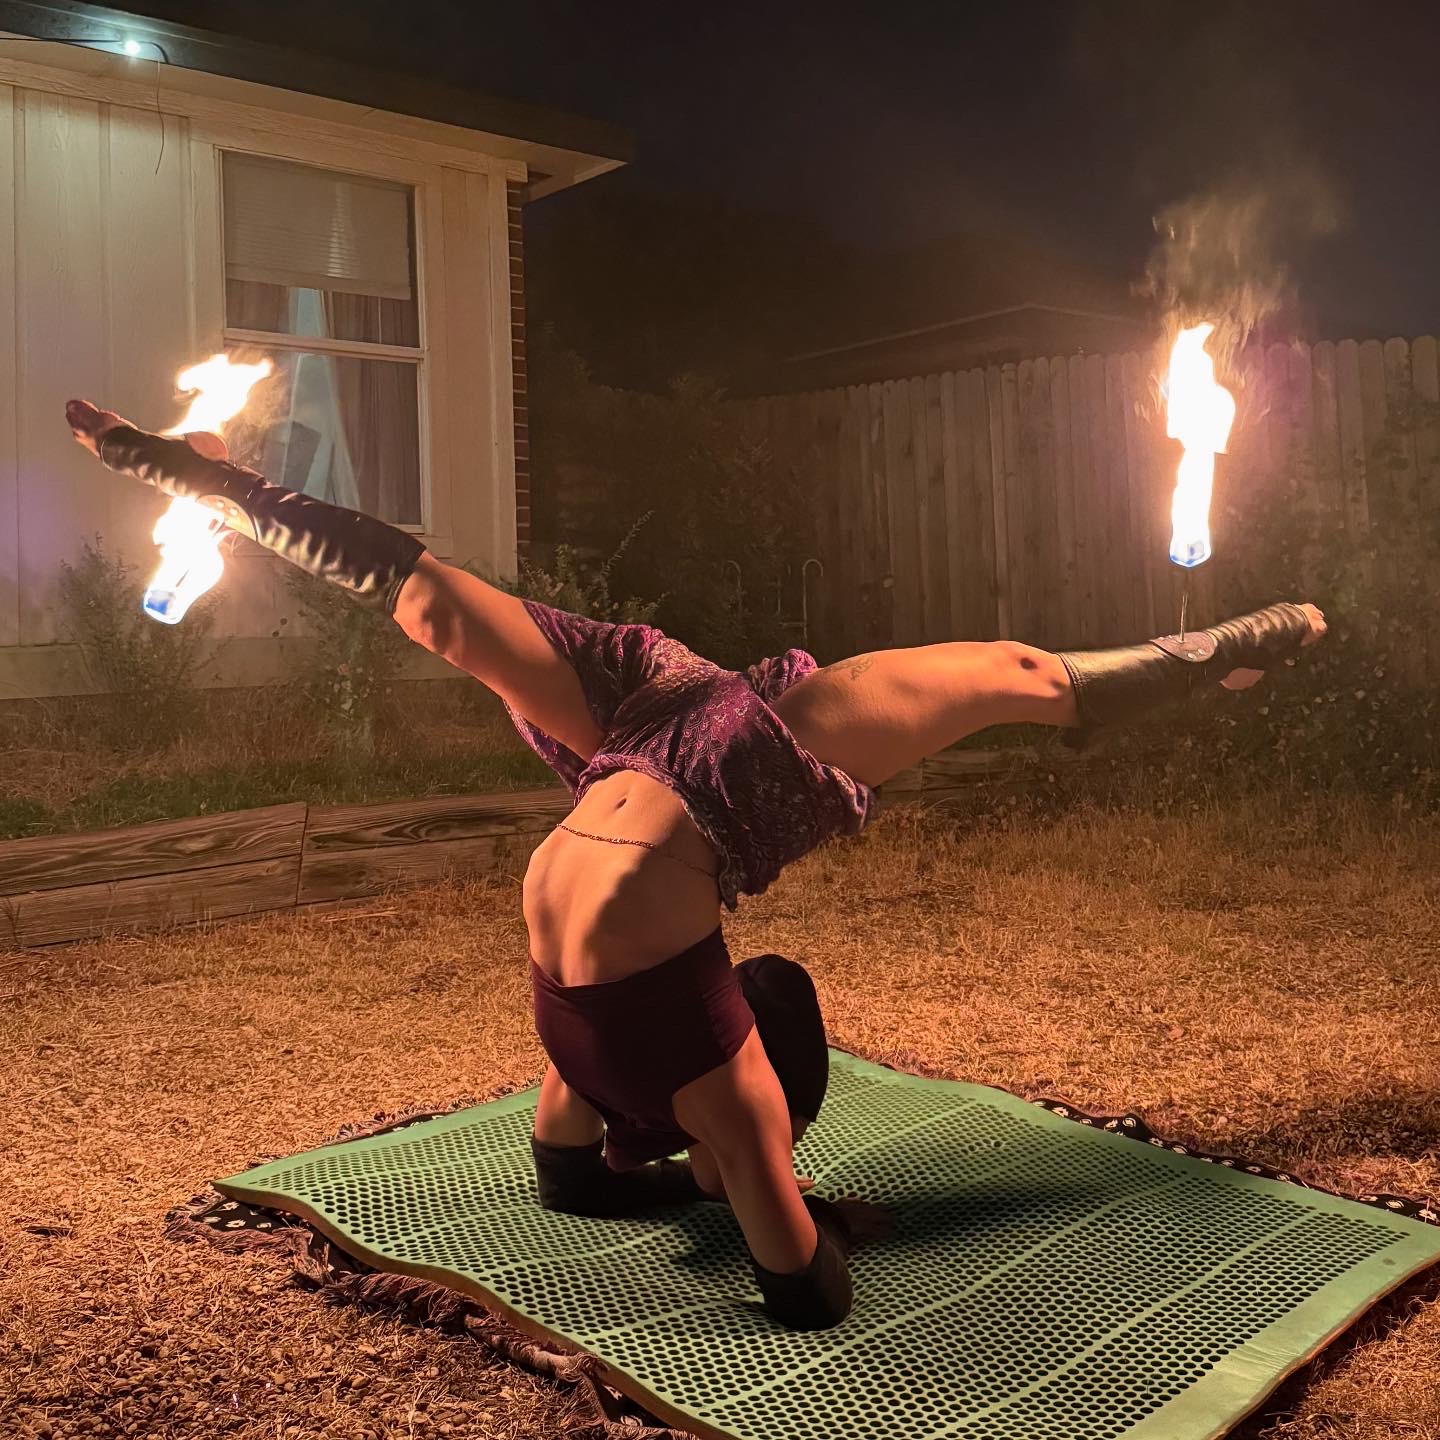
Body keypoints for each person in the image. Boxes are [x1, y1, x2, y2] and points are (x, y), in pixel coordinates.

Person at [65, 400, 1326, 1329]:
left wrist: (773, 1205)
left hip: (646, 752)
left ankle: (1222, 650)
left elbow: (757, 1264)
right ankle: (1211, 656)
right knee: (442, 607)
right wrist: (756, 1191)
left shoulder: (689, 1101)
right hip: (604, 885)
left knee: (1002, 672)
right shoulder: (616, 1094)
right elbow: (678, 1232)